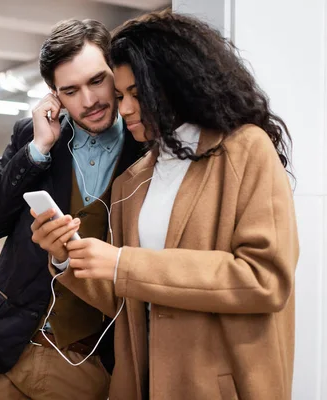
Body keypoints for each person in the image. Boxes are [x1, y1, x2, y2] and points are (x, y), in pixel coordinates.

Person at [31, 10, 299, 400]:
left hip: (217, 384)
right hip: (145, 380)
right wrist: (66, 258)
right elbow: (127, 295)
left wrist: (125, 262)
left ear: (177, 83)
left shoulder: (246, 151)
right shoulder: (134, 180)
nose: (124, 108)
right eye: (121, 96)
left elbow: (264, 280)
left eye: (138, 94)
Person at [0, 19, 144, 400]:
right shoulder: (32, 136)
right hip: (5, 346)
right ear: (54, 95)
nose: (89, 100)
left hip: (87, 361)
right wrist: (36, 152)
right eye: (71, 91)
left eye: (98, 81)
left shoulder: (146, 142)